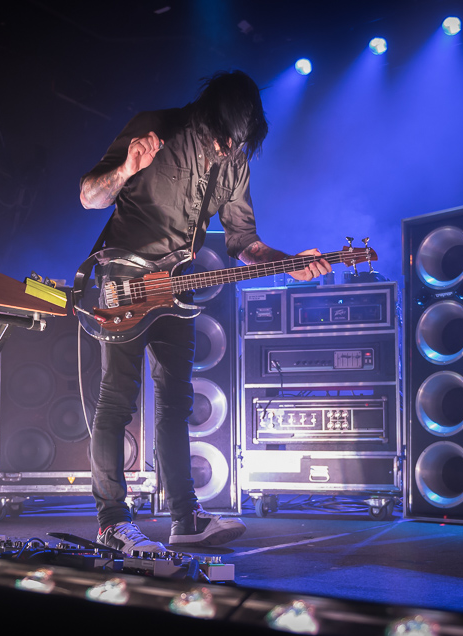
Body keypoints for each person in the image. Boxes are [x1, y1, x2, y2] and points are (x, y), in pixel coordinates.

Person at [79, 70, 331, 554]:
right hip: (125, 278)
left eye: (237, 144)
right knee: (117, 401)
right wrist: (127, 169)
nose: (226, 149)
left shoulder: (235, 162)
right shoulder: (154, 127)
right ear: (204, 115)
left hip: (177, 285)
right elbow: (91, 197)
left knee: (175, 403)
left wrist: (288, 263)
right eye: (221, 139)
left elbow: (244, 243)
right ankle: (112, 520)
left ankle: (185, 519)